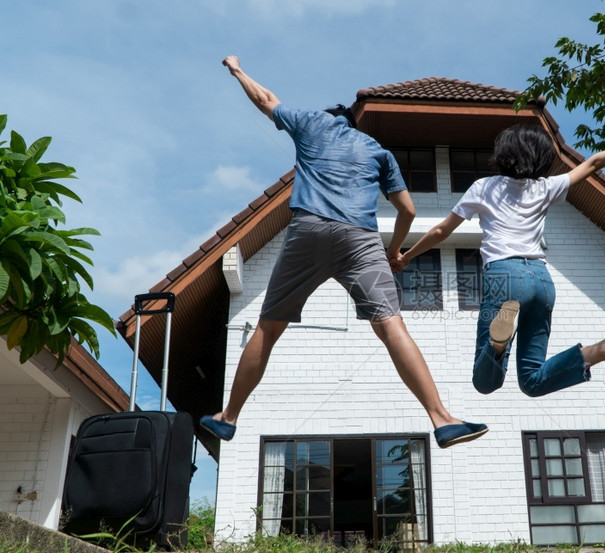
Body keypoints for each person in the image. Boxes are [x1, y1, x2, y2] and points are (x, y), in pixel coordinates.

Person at [200, 56, 487, 449]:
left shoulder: (311, 122)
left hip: (310, 229)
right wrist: (393, 251)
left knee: (268, 327)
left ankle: (228, 418)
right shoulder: (377, 150)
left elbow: (265, 99)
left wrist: (236, 70)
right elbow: (408, 210)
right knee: (391, 326)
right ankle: (442, 419)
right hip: (362, 238)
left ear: (328, 118)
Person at [391, 121, 605, 397]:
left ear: (504, 152)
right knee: (532, 381)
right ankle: (604, 349)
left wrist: (407, 257)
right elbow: (593, 163)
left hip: (505, 276)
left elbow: (441, 230)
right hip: (541, 281)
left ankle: (497, 344)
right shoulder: (545, 187)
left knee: (485, 383)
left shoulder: (483, 187)